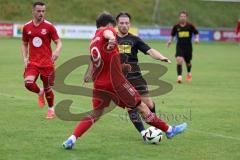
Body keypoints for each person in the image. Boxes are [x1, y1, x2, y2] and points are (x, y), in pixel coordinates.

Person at [62, 12, 187, 149]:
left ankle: (71, 139)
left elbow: (97, 59)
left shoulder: (93, 42)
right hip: (116, 82)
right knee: (141, 107)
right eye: (115, 25)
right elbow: (108, 34)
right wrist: (111, 39)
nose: (115, 28)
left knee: (95, 113)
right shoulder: (108, 31)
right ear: (110, 24)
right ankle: (169, 130)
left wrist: (89, 73)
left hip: (99, 84)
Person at [116, 12, 171, 140]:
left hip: (137, 77)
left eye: (126, 23)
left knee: (149, 104)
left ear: (130, 24)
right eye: (121, 23)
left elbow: (150, 50)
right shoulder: (112, 39)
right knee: (131, 107)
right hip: (121, 79)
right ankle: (143, 133)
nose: (124, 25)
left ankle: (156, 127)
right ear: (117, 24)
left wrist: (161, 57)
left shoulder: (135, 39)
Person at [21, 1, 62, 119]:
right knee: (28, 83)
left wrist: (57, 51)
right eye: (39, 11)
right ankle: (40, 92)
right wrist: (25, 57)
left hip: (47, 63)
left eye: (43, 11)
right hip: (33, 62)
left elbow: (58, 42)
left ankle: (50, 109)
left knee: (48, 88)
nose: (41, 13)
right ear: (33, 11)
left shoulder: (49, 26)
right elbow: (24, 43)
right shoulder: (27, 26)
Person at [167, 11, 199, 83]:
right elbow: (172, 35)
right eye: (181, 16)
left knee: (188, 62)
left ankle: (189, 73)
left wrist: (197, 39)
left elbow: (196, 33)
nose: (182, 18)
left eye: (184, 16)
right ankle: (179, 77)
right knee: (179, 60)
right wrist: (170, 41)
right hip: (179, 46)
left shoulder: (190, 26)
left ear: (186, 17)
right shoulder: (176, 26)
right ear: (179, 17)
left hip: (188, 47)